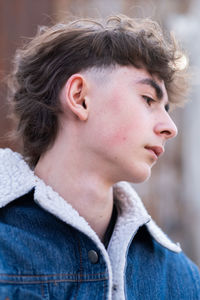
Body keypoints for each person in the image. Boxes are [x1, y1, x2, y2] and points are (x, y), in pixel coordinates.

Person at [0, 14, 199, 300]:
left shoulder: (181, 281)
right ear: (80, 97)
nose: (170, 127)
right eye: (148, 100)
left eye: (167, 109)